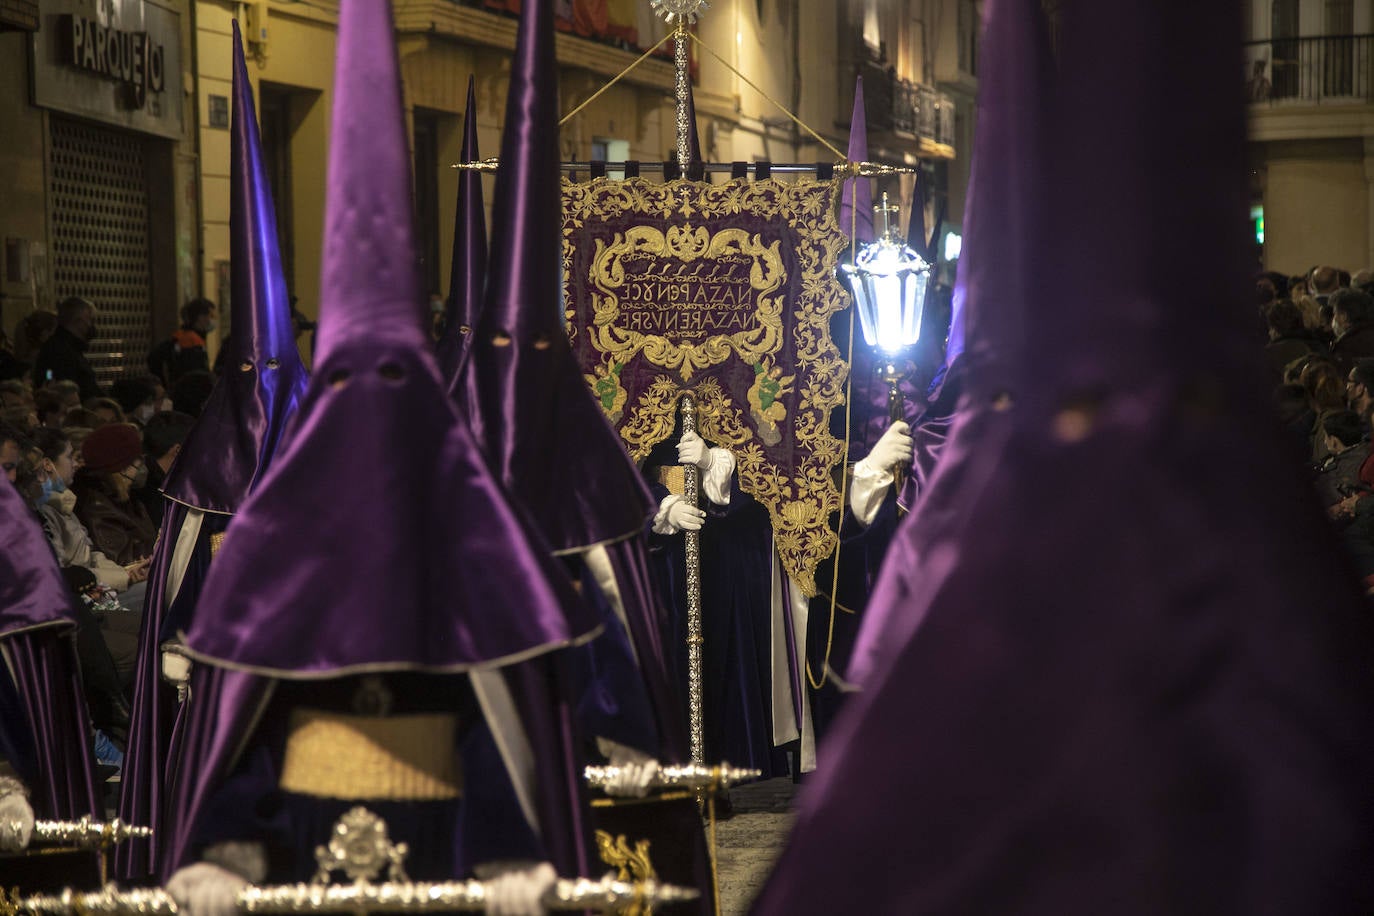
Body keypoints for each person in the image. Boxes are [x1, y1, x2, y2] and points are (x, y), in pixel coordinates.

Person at [163, 16, 597, 916]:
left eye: (395, 384)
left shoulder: (476, 540)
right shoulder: (275, 543)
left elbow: (498, 717)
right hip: (301, 856)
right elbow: (247, 729)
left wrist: (510, 853)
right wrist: (222, 849)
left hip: (447, 851)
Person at [71, 423, 157, 567]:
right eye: (138, 460)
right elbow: (123, 560)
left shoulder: (125, 499)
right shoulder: (96, 507)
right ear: (121, 467)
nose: (142, 467)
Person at [32, 297, 101, 401]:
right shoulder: (59, 350)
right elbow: (50, 376)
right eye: (91, 319)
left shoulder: (69, 348)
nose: (92, 325)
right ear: (79, 321)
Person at [147, 299, 216, 389]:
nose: (213, 320)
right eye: (211, 316)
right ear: (201, 317)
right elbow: (197, 375)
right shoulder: (191, 340)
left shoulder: (182, 337)